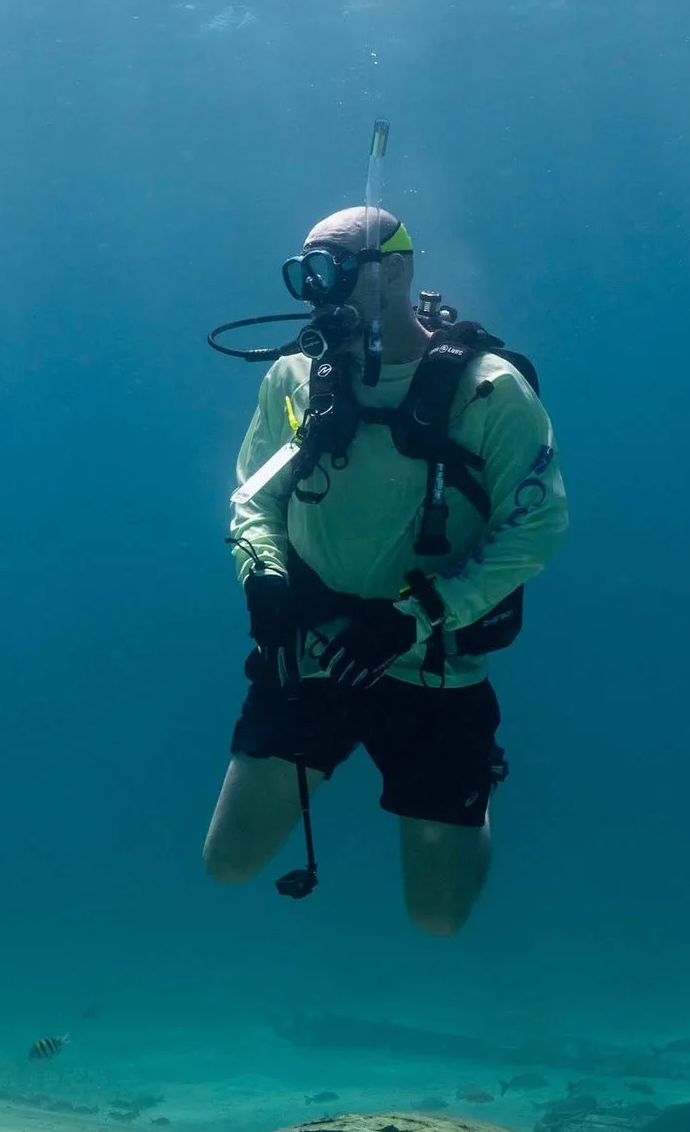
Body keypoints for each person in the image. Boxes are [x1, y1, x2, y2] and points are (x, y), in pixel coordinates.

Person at [203, 204, 568, 934]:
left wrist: (422, 614)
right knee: (228, 861)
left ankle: (475, 806)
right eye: (306, 274)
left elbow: (539, 524)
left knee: (438, 918)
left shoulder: (490, 390)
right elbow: (251, 498)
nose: (318, 291)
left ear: (397, 271)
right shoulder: (294, 377)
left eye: (335, 271)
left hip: (432, 665)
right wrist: (263, 577)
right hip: (314, 650)